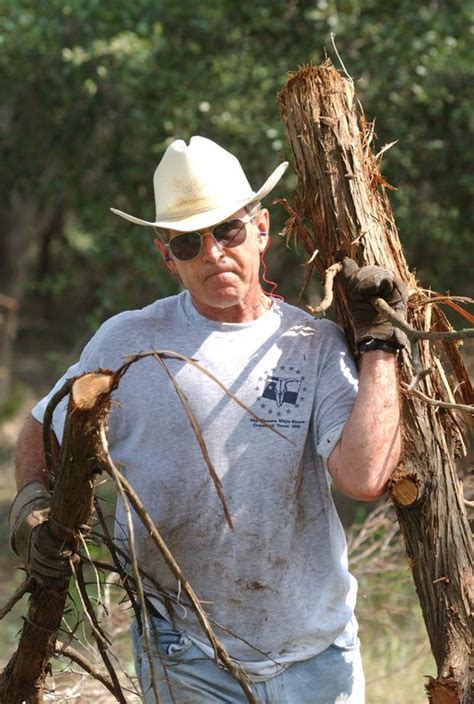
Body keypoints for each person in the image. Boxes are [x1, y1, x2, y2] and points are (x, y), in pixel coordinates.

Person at [10, 136, 407, 703]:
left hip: (318, 653)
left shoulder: (312, 343)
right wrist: (31, 504)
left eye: (228, 230)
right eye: (188, 242)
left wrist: (379, 345)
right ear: (165, 254)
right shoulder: (128, 341)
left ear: (261, 228)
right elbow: (41, 427)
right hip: (185, 651)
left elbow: (364, 476)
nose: (214, 253)